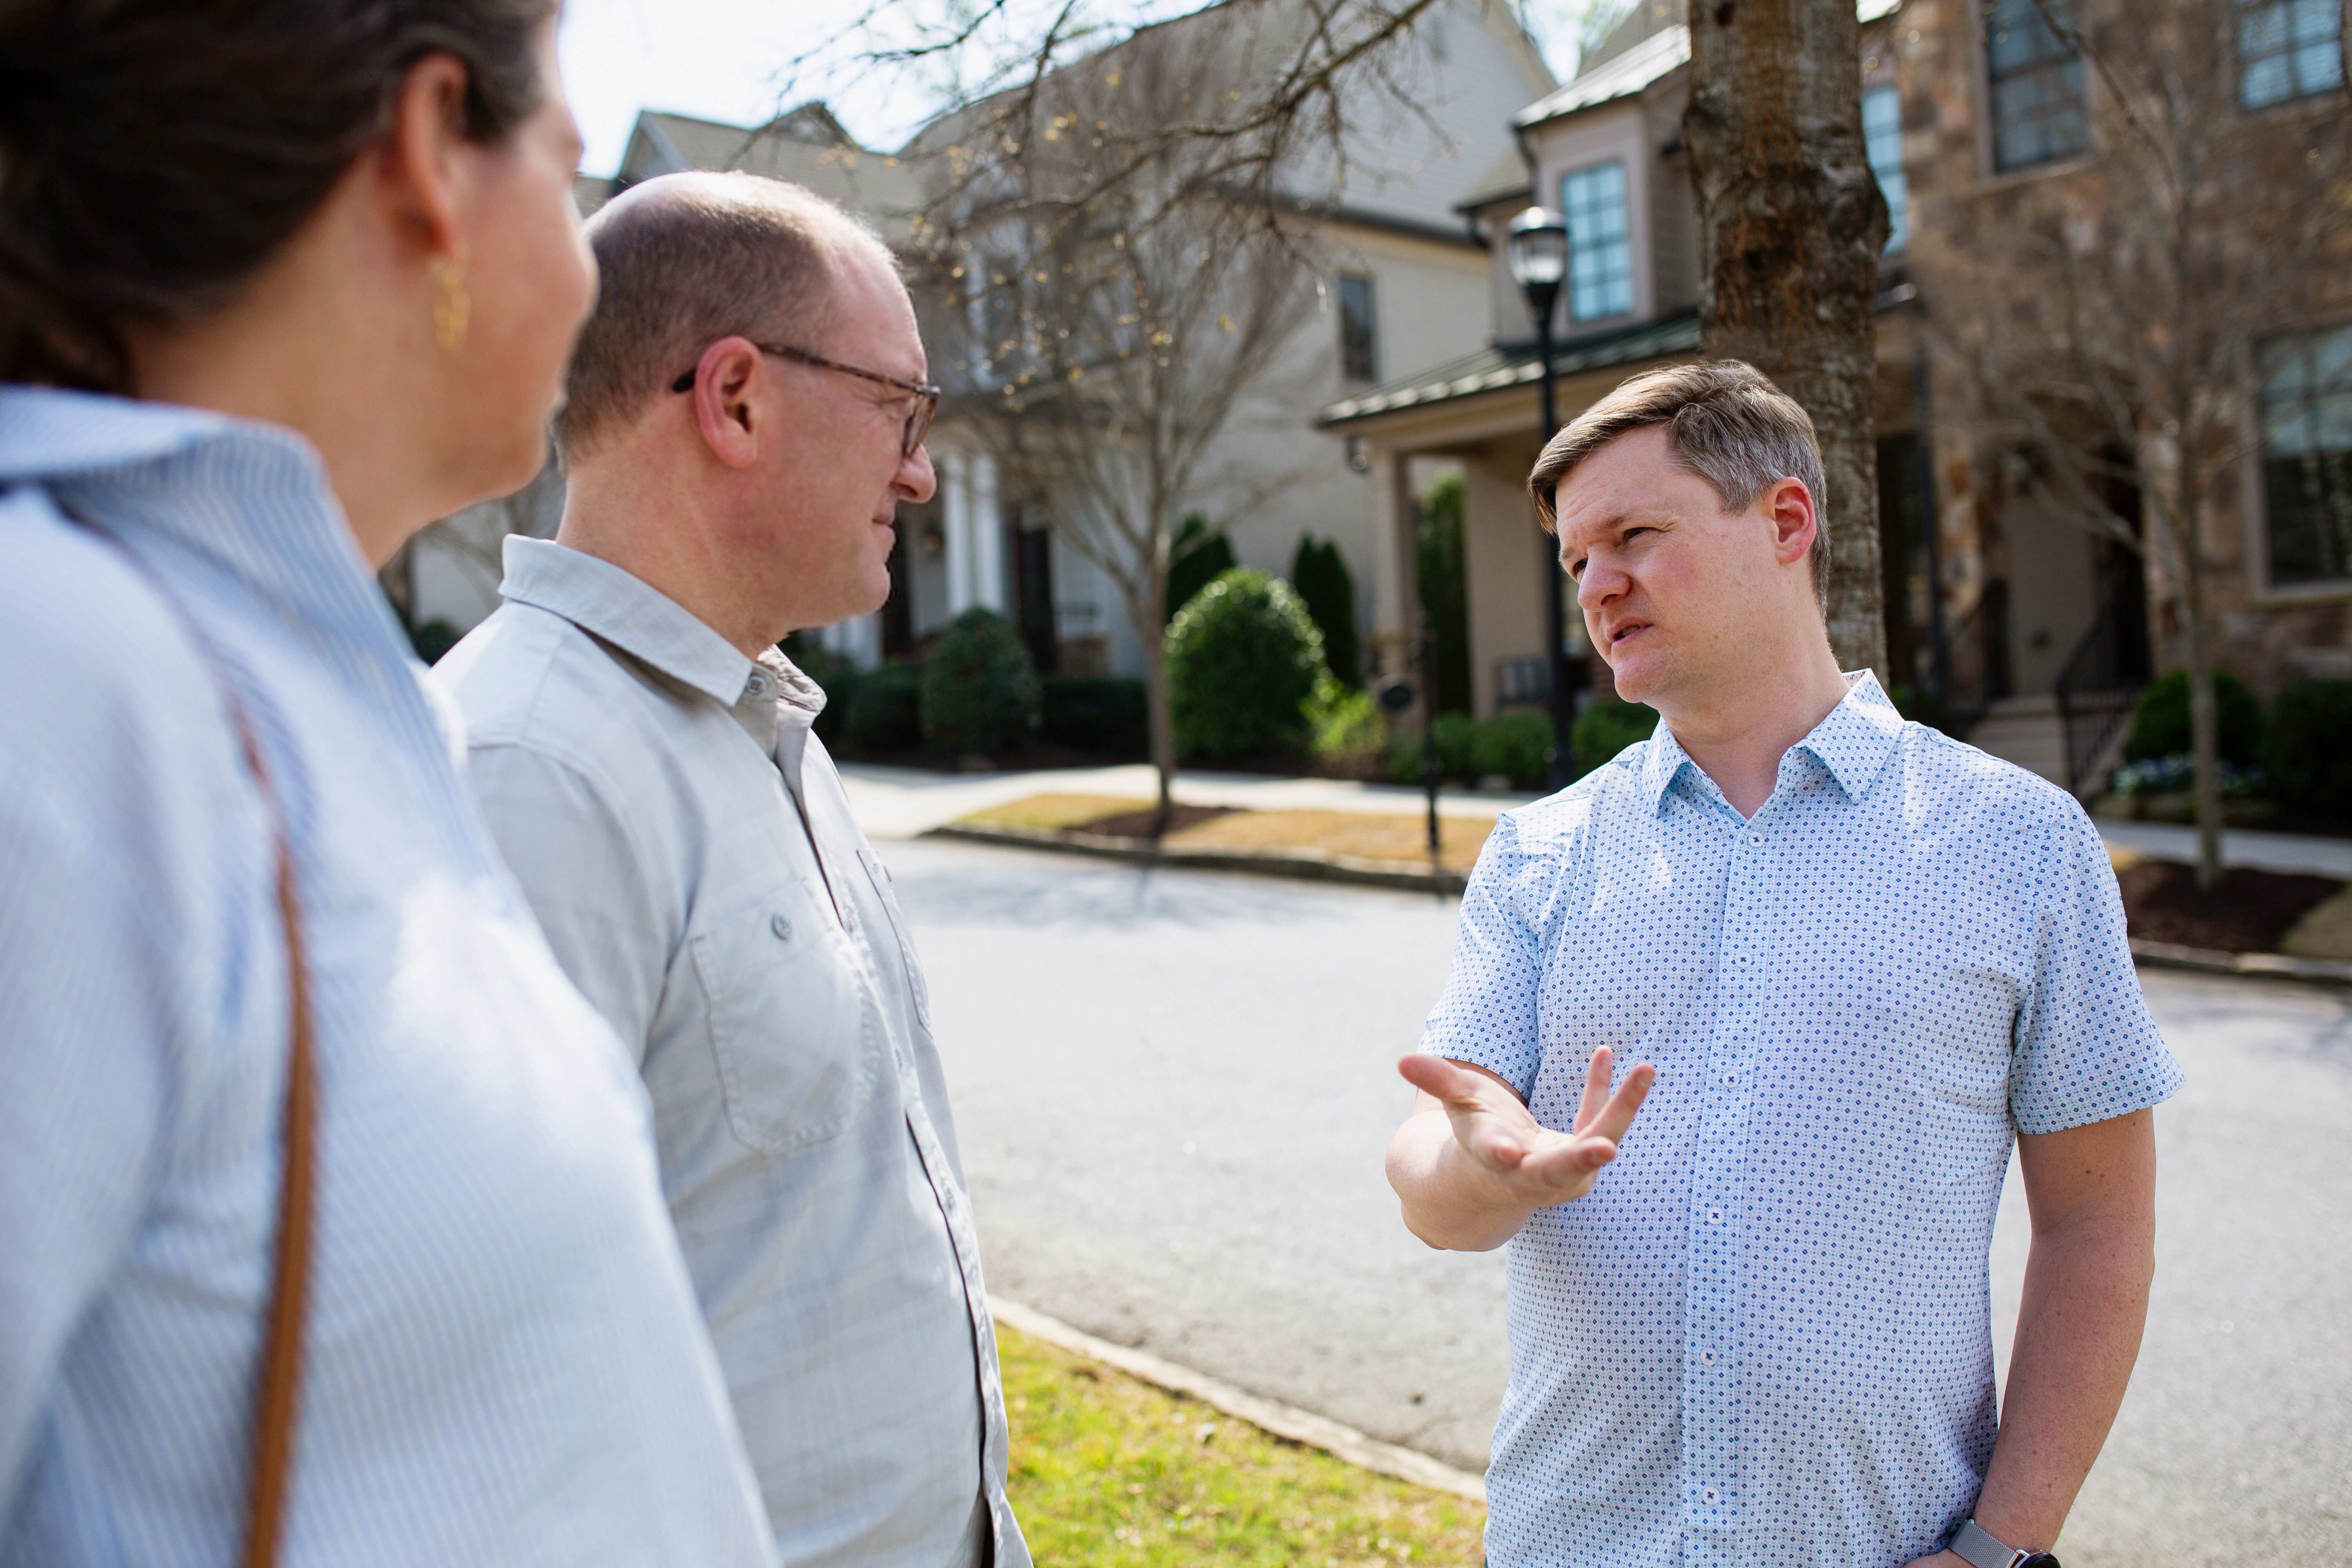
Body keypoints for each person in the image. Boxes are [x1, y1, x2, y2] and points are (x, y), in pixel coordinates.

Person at [0, 5, 776, 1564]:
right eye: (565, 174)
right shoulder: (63, 675)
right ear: (433, 152)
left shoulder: (313, 694)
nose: (584, 276)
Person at [1385, 361, 2181, 1568]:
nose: (1599, 586)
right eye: (1577, 563)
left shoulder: (2020, 844)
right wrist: (1489, 1172)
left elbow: (2098, 1229)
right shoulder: (1538, 856)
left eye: (1635, 536)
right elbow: (1433, 1174)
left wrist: (2002, 1548)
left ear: (1788, 521)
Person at [435, 171, 1029, 1568]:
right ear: (739, 399)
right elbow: (456, 1391)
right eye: (901, 409)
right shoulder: (523, 770)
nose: (921, 471)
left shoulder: (768, 730)